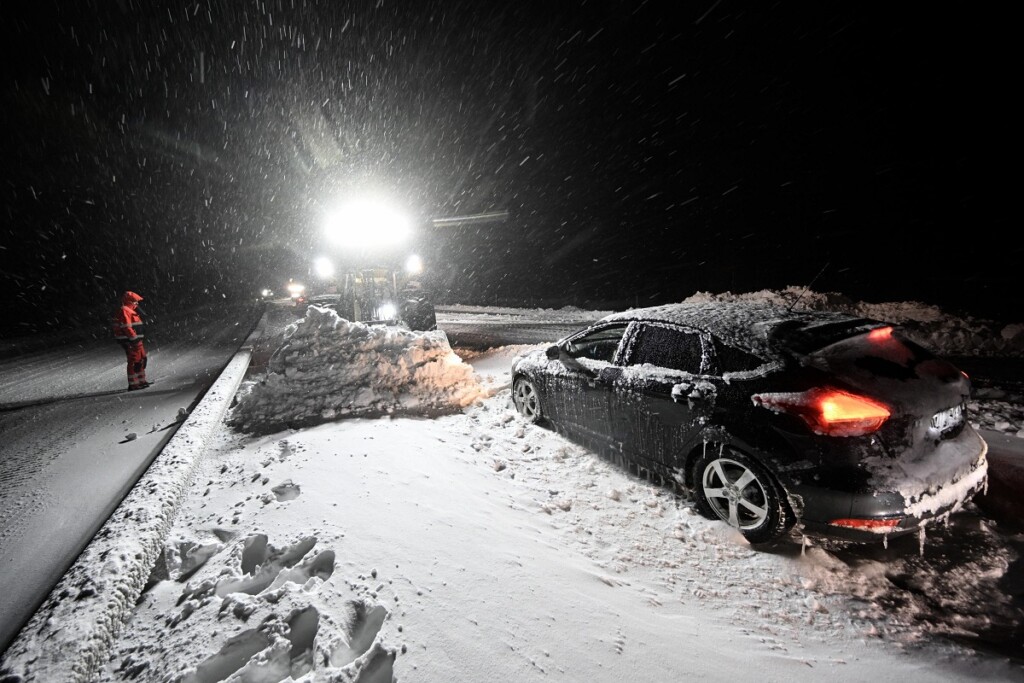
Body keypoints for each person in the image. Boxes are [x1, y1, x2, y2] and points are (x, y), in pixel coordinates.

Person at [112, 290, 150, 390]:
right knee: (134, 361)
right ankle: (133, 384)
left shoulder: (129, 310)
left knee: (141, 359)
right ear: (130, 302)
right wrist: (134, 339)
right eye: (135, 301)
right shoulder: (125, 311)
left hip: (135, 340)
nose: (137, 304)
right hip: (130, 341)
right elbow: (127, 327)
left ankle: (141, 381)